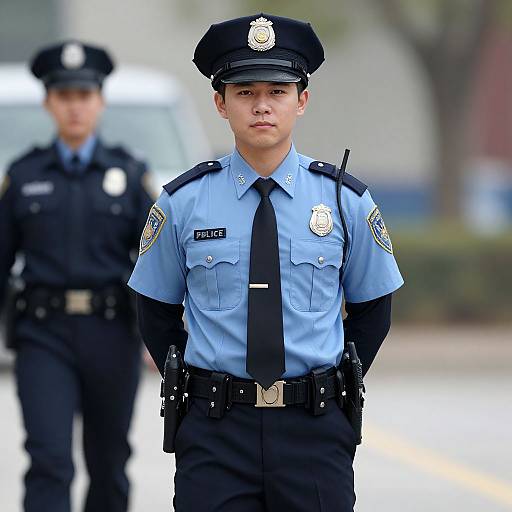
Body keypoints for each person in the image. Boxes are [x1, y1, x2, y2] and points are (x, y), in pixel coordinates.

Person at [129, 13, 404, 511]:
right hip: (215, 431)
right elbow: (155, 310)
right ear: (220, 103)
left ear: (302, 101)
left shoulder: (345, 202)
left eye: (277, 91)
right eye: (244, 91)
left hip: (314, 431)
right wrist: (200, 379)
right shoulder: (182, 203)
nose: (261, 106)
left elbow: (374, 309)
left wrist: (334, 382)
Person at [0, 41, 154, 512]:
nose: (74, 106)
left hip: (111, 332)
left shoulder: (128, 176)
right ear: (49, 102)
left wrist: (161, 332)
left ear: (100, 101)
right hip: (42, 335)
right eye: (64, 96)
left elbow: (156, 264)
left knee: (109, 462)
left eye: (84, 95)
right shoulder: (23, 176)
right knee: (48, 458)